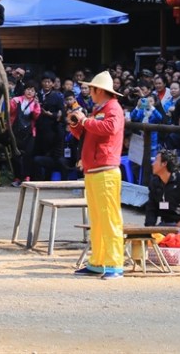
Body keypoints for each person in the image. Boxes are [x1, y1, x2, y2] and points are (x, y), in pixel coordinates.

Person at [68, 70, 125, 279]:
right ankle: (98, 261)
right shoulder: (98, 109)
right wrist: (76, 123)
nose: (88, 92)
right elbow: (85, 132)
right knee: (98, 219)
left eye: (91, 89)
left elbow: (109, 128)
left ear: (98, 90)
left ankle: (114, 263)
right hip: (94, 170)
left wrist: (83, 121)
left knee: (109, 219)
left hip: (105, 170)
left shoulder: (113, 109)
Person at [8, 81, 41, 187]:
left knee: (28, 155)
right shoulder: (16, 100)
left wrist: (36, 104)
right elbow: (10, 112)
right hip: (16, 131)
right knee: (16, 155)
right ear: (24, 90)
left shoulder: (35, 103)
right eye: (28, 89)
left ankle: (26, 177)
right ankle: (17, 177)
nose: (30, 92)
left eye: (32, 90)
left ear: (35, 92)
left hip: (30, 132)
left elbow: (36, 116)